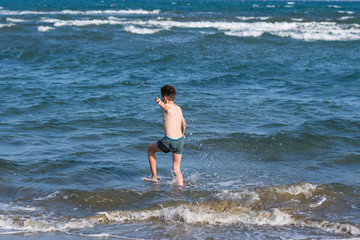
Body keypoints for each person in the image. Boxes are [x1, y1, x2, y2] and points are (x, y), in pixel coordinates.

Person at [145, 85, 186, 186]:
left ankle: (154, 178)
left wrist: (159, 102)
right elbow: (184, 123)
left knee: (150, 149)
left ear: (165, 98)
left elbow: (165, 106)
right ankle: (181, 188)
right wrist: (183, 134)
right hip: (180, 140)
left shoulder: (166, 106)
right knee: (177, 168)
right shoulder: (179, 108)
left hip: (169, 140)